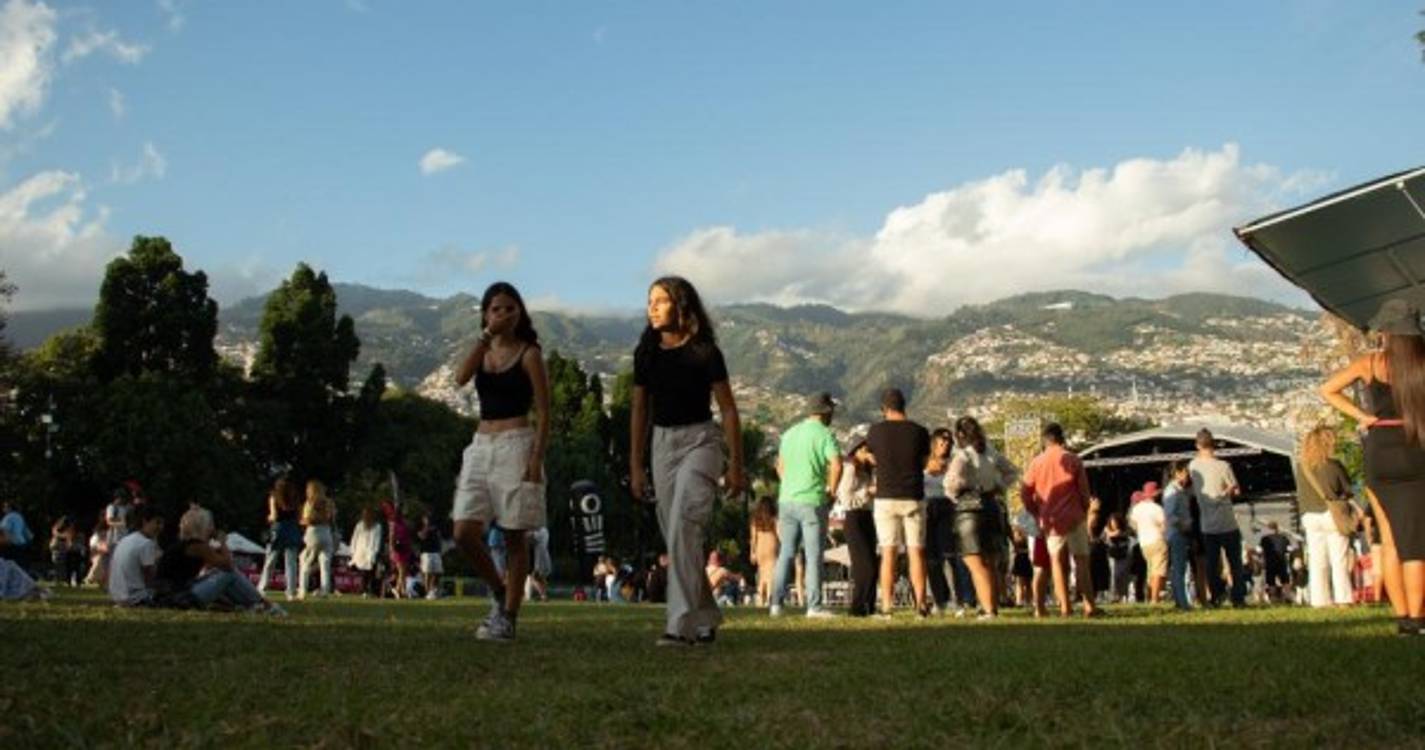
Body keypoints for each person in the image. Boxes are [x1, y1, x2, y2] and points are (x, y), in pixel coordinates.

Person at [629, 276, 745, 646]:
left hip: (701, 441)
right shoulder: (646, 353)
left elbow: (728, 409)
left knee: (683, 525)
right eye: (650, 301)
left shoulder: (705, 351)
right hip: (662, 443)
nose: (653, 308)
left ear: (681, 305)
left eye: (661, 301)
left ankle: (679, 625)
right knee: (678, 535)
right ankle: (706, 614)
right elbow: (638, 410)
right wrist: (635, 464)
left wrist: (736, 465)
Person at [451, 281, 551, 642]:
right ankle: (497, 588)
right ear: (486, 314)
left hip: (516, 443)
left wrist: (536, 457)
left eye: (511, 308)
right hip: (480, 444)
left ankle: (508, 616)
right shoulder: (482, 351)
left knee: (514, 535)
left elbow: (544, 409)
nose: (505, 314)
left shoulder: (529, 354)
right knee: (463, 531)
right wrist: (483, 338)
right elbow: (460, 378)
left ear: (520, 313)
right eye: (497, 308)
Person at [1320, 299, 1425, 633]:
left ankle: (1404, 618)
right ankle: (1420, 617)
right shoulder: (1421, 364)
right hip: (1416, 449)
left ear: (1386, 333)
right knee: (1416, 541)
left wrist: (1364, 417)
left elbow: (1328, 389)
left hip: (1380, 451)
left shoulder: (1370, 363)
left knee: (1390, 539)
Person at [769, 392, 843, 618]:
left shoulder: (790, 433)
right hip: (812, 501)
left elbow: (779, 466)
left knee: (786, 554)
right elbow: (837, 465)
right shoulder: (825, 434)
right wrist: (831, 491)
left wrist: (791, 484)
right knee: (813, 556)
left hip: (787, 500)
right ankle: (814, 606)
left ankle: (776, 605)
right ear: (826, 412)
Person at [864, 388, 931, 617]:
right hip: (913, 495)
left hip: (885, 497)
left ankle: (886, 606)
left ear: (884, 409)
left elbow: (871, 457)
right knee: (916, 552)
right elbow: (923, 463)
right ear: (904, 406)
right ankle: (920, 605)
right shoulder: (920, 432)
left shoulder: (875, 431)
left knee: (888, 553)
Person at [1020, 423, 1099, 618]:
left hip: (1050, 519)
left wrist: (1036, 511)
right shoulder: (1073, 460)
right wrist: (1084, 508)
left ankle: (1065, 607)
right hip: (1074, 515)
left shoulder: (1036, 463)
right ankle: (1089, 605)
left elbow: (1025, 491)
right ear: (1061, 438)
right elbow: (1084, 491)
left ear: (1044, 440)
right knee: (1081, 560)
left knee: (1056, 562)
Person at [944, 416, 1019, 618]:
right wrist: (998, 486)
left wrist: (962, 489)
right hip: (992, 507)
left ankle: (988, 609)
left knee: (975, 563)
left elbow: (951, 483)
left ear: (959, 435)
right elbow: (1012, 472)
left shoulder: (963, 455)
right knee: (991, 562)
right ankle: (992, 605)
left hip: (969, 510)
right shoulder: (991, 452)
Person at [159, 506, 286, 615]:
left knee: (220, 573)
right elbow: (228, 565)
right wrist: (222, 542)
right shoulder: (197, 546)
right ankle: (263, 604)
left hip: (172, 594)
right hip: (180, 597)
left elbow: (214, 566)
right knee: (229, 574)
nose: (212, 529)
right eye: (211, 525)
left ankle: (255, 604)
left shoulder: (185, 544)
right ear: (203, 526)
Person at [1189, 429, 1247, 608]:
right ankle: (1238, 597)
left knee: (1212, 564)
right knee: (1235, 562)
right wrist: (1226, 491)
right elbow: (1235, 490)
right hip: (1227, 520)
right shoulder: (1224, 466)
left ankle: (1216, 595)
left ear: (1197, 445)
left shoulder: (1193, 467)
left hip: (1207, 524)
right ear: (1213, 444)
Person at [836, 436, 879, 617]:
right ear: (857, 451)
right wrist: (867, 492)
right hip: (853, 517)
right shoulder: (850, 468)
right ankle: (858, 607)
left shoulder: (868, 471)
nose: (870, 454)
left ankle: (869, 606)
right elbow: (845, 498)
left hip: (867, 516)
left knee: (872, 564)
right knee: (864, 565)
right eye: (866, 450)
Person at [922, 428, 960, 616]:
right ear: (933, 444)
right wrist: (927, 470)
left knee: (949, 555)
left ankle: (957, 598)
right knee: (931, 559)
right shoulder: (922, 463)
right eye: (941, 442)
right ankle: (940, 599)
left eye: (948, 443)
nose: (944, 446)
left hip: (947, 507)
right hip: (927, 508)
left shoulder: (954, 464)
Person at [107, 505, 164, 606]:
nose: (160, 527)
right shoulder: (146, 543)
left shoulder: (125, 540)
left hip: (117, 596)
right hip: (136, 598)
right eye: (157, 522)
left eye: (162, 523)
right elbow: (149, 576)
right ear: (145, 521)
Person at [257, 478, 302, 600]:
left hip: (278, 529)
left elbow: (274, 516)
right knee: (291, 562)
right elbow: (299, 516)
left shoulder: (274, 497)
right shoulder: (295, 499)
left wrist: (268, 518)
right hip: (292, 528)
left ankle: (262, 587)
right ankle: (291, 591)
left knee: (270, 560)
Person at [1161, 462, 1195, 610]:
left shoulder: (1182, 490)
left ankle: (1179, 600)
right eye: (1186, 473)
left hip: (1181, 533)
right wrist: (1183, 524)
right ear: (1177, 473)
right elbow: (1169, 515)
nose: (1188, 476)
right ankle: (1182, 602)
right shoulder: (1172, 491)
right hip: (1177, 533)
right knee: (1179, 569)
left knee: (1180, 568)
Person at [1128, 482, 1168, 605]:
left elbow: (1133, 525)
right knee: (1159, 571)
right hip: (1157, 540)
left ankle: (1150, 596)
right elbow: (1165, 526)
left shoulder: (1137, 509)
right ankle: (1155, 599)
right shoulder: (1157, 509)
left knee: (1150, 571)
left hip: (1144, 543)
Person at [298, 479, 337, 599]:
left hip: (313, 532)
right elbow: (332, 519)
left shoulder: (309, 503)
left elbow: (308, 519)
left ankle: (303, 589)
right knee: (325, 563)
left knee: (305, 561)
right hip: (326, 532)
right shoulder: (329, 503)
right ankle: (325, 590)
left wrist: (301, 521)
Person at [749, 497, 779, 606]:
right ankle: (769, 599)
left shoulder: (755, 520)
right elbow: (780, 535)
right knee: (770, 574)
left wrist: (752, 552)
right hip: (771, 545)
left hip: (759, 548)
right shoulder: (774, 519)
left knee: (762, 574)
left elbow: (753, 538)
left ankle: (761, 598)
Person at [383, 501, 415, 598]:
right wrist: (392, 549)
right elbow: (391, 537)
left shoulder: (404, 523)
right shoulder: (394, 524)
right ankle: (398, 589)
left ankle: (401, 590)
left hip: (405, 548)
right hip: (399, 549)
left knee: (403, 572)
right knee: (401, 571)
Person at [349, 506, 383, 598]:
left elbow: (377, 540)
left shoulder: (377, 527)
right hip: (360, 551)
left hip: (370, 552)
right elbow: (354, 538)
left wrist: (374, 552)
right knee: (364, 573)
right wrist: (352, 551)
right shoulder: (359, 525)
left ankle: (370, 590)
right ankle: (364, 590)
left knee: (370, 573)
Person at [1258, 521, 1295, 605]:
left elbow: (1258, 550)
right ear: (1277, 528)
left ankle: (1273, 599)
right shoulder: (1283, 538)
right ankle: (1287, 597)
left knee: (1271, 582)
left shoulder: (1265, 539)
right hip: (1282, 562)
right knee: (1285, 581)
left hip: (1270, 562)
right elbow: (1290, 549)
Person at [1104, 513, 1133, 603]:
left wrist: (1112, 533)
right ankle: (1114, 595)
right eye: (1112, 522)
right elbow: (1108, 536)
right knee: (1114, 576)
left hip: (1124, 555)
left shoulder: (1125, 530)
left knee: (1123, 575)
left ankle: (1123, 595)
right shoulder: (1106, 530)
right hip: (1112, 556)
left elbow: (1121, 534)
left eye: (1115, 522)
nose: (1114, 524)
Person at [49, 516, 84, 586]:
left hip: (64, 552)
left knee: (65, 565)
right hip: (60, 552)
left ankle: (63, 580)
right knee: (61, 565)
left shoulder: (59, 532)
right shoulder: (59, 533)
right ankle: (60, 580)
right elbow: (54, 545)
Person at [417, 514, 444, 600]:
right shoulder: (422, 529)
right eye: (425, 519)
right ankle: (427, 592)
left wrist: (440, 550)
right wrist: (426, 528)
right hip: (426, 553)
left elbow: (439, 539)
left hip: (436, 553)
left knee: (437, 573)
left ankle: (434, 591)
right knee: (427, 573)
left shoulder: (435, 529)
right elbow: (421, 536)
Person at [0, 501, 33, 568]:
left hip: (11, 543)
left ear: (9, 508)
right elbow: (28, 533)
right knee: (19, 564)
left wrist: (7, 542)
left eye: (4, 507)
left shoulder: (8, 517)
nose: (3, 509)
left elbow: (5, 530)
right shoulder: (20, 516)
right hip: (21, 543)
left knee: (7, 563)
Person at [525, 526, 552, 602]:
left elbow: (528, 537)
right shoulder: (544, 530)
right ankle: (543, 595)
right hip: (541, 556)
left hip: (539, 557)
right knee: (539, 577)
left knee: (535, 577)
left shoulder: (540, 532)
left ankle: (543, 595)